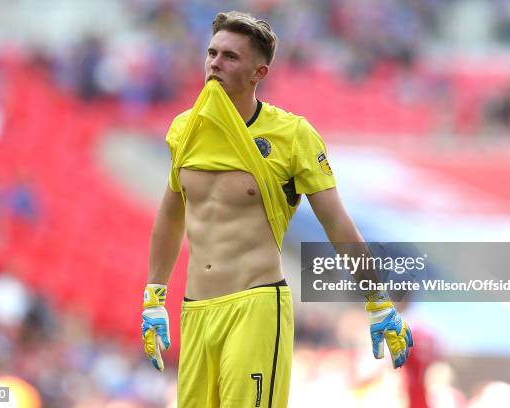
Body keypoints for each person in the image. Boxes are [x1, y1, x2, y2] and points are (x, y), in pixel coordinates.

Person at [141, 11, 413, 407]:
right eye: (212, 53)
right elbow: (171, 212)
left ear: (259, 72)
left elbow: (336, 222)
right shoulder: (185, 129)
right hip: (195, 310)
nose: (215, 63)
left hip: (256, 307)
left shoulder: (293, 135)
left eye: (230, 57)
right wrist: (154, 294)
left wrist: (378, 299)